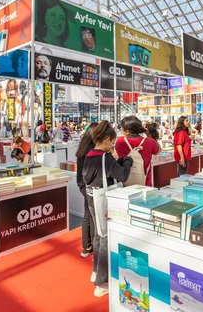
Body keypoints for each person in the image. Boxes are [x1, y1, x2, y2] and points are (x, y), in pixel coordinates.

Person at [82, 121, 133, 297]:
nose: (112, 145)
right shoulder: (106, 157)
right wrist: (127, 162)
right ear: (106, 139)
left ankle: (96, 271)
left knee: (98, 235)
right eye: (112, 142)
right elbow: (123, 175)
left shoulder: (89, 155)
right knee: (105, 239)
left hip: (92, 199)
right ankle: (101, 283)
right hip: (104, 201)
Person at [115, 116, 161, 187]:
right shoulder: (149, 141)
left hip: (125, 180)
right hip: (145, 180)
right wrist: (148, 135)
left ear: (127, 131)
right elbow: (158, 151)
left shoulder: (120, 141)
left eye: (121, 128)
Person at [75, 122, 98, 259]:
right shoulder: (93, 150)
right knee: (94, 217)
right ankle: (94, 246)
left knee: (87, 216)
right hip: (92, 187)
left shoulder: (83, 148)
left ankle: (87, 246)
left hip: (83, 185)